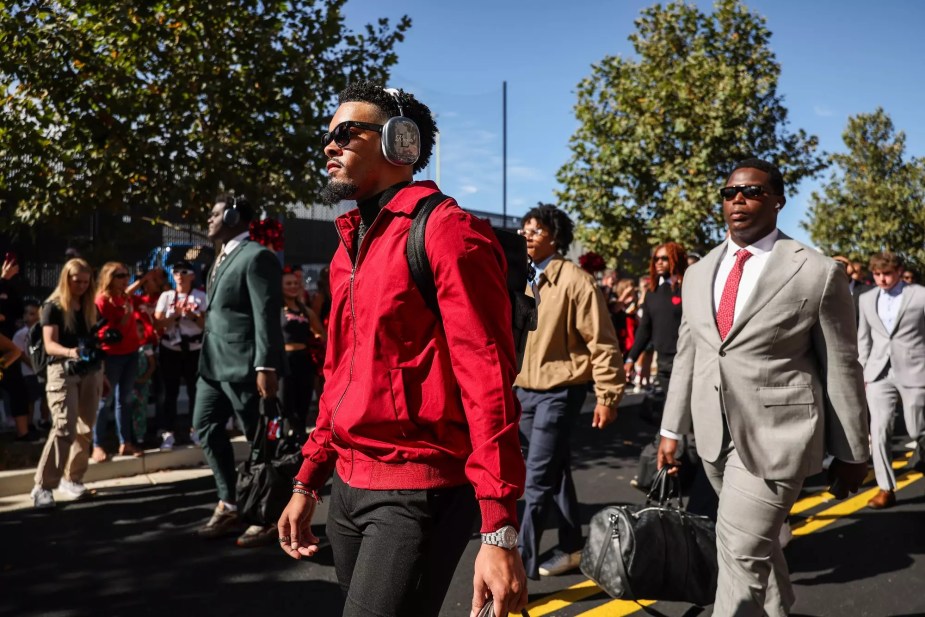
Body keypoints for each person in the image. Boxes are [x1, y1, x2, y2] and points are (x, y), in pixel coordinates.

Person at [277, 81, 528, 617]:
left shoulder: (447, 232)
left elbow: (487, 382)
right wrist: (308, 478)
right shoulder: (350, 244)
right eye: (327, 135)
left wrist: (499, 527)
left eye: (346, 133)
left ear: (400, 143)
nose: (329, 145)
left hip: (417, 491)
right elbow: (339, 375)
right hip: (347, 485)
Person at [657, 158, 870, 616]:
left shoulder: (817, 271)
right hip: (713, 437)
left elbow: (842, 365)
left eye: (751, 191)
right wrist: (671, 430)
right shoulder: (698, 273)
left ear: (777, 200)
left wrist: (853, 451)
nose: (738, 198)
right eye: (730, 191)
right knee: (753, 544)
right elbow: (689, 357)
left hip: (780, 436)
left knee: (739, 552)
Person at [513, 204, 625, 579]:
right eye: (524, 229)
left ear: (555, 237)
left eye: (536, 230)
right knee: (555, 471)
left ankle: (517, 568)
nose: (526, 235)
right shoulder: (521, 279)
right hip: (523, 390)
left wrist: (608, 395)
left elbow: (603, 341)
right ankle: (572, 546)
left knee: (536, 481)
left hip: (559, 392)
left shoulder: (576, 280)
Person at [194, 193, 287, 547]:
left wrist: (266, 365)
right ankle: (230, 501)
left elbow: (265, 315)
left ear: (233, 216)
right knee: (205, 425)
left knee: (260, 441)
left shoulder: (257, 256)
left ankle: (268, 514)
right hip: (212, 365)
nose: (209, 219)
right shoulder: (218, 257)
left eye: (214, 213)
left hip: (246, 365)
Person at [30, 259, 105, 508]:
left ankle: (72, 479)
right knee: (64, 427)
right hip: (62, 369)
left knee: (86, 427)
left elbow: (95, 340)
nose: (82, 286)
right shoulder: (52, 307)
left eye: (86, 282)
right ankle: (42, 486)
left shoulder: (89, 306)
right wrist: (73, 352)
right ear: (66, 279)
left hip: (90, 370)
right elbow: (50, 344)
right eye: (77, 281)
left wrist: (99, 371)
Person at [857, 252, 925, 509]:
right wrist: (863, 373)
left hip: (915, 370)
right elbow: (863, 339)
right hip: (878, 373)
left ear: (898, 271)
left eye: (886, 274)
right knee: (879, 429)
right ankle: (886, 488)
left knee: (917, 428)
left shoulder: (919, 295)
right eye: (876, 275)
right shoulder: (866, 299)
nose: (882, 279)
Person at [623, 242, 688, 414]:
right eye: (656, 259)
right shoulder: (652, 293)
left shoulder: (688, 288)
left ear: (676, 260)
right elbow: (644, 329)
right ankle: (668, 439)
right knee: (670, 408)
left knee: (685, 410)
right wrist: (631, 359)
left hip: (687, 360)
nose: (659, 262)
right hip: (663, 362)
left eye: (664, 258)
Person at [153, 260, 207, 450]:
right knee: (169, 392)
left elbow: (206, 325)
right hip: (171, 348)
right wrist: (174, 315)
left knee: (196, 391)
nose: (180, 275)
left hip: (194, 349)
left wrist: (193, 315)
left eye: (184, 271)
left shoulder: (201, 296)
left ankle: (196, 430)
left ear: (192, 276)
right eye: (176, 271)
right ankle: (168, 432)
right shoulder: (166, 296)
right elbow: (158, 323)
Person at [93, 262, 144, 459]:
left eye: (126, 275)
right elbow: (111, 327)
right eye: (120, 276)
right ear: (109, 278)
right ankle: (98, 445)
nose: (125, 280)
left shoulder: (123, 296)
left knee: (125, 399)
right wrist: (127, 313)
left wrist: (144, 279)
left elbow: (131, 290)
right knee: (105, 400)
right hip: (112, 355)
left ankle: (126, 443)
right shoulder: (103, 301)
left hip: (131, 352)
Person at [279, 265, 325, 436]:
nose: (292, 286)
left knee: (303, 404)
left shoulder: (306, 310)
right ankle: (285, 442)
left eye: (295, 283)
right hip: (284, 361)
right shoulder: (276, 309)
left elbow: (321, 332)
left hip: (303, 361)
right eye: (288, 284)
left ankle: (299, 443)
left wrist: (317, 344)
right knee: (285, 405)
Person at [0, 254, 39, 441]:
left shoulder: (15, 288)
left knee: (18, 389)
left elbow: (14, 350)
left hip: (6, 347)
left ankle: (23, 433)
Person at [13, 299, 51, 432]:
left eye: (33, 313)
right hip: (29, 372)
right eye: (27, 313)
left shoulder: (44, 331)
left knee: (46, 397)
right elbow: (20, 354)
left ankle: (45, 420)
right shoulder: (20, 334)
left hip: (44, 371)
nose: (29, 316)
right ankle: (29, 424)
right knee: (30, 399)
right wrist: (35, 366)